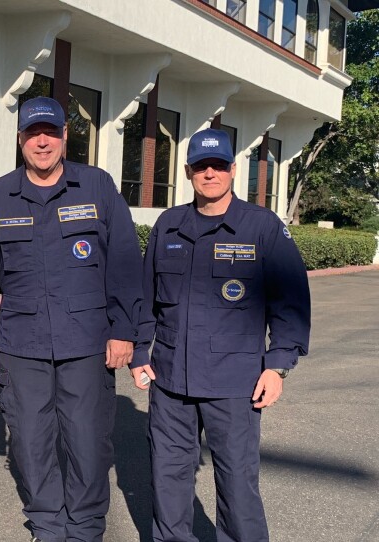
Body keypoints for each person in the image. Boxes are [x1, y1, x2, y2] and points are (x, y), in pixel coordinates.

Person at [0, 96, 143, 542]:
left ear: (65, 136)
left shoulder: (97, 187)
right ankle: (47, 526)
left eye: (51, 132)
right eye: (32, 134)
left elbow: (124, 265)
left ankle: (84, 530)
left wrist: (124, 331)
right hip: (22, 345)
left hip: (87, 343)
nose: (42, 142)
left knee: (87, 441)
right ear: (20, 139)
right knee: (29, 441)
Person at [130, 128, 311, 542]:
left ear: (232, 169)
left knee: (237, 485)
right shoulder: (168, 226)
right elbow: (147, 297)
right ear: (189, 171)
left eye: (218, 165)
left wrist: (278, 366)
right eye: (201, 166)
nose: (209, 173)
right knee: (169, 479)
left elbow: (291, 302)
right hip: (171, 380)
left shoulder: (261, 227)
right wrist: (141, 352)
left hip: (235, 383)